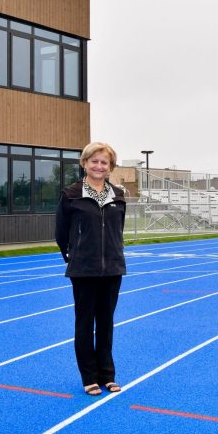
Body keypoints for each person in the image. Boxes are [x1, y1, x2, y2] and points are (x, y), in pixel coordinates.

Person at [55, 142, 127, 396]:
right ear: (84, 163)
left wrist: (114, 257)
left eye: (104, 162)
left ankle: (108, 375)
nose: (99, 166)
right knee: (85, 324)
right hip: (83, 270)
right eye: (94, 161)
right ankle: (89, 377)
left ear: (110, 167)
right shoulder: (71, 194)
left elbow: (117, 232)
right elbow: (61, 234)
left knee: (106, 324)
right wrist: (75, 258)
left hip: (113, 270)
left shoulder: (117, 195)